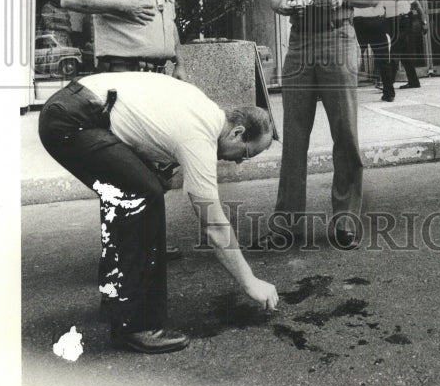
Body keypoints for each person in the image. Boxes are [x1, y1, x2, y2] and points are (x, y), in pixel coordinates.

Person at [38, 72, 278, 354]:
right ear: (237, 132)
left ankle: (116, 297)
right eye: (246, 154)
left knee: (134, 192)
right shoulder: (199, 135)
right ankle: (137, 325)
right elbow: (213, 226)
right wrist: (250, 282)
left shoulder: (202, 108)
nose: (238, 162)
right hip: (73, 119)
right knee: (142, 196)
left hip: (73, 108)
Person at [266, 0, 377, 250]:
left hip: (337, 42)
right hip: (300, 45)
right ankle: (287, 224)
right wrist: (284, 6)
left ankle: (345, 220)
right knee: (294, 138)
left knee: (345, 135)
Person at [383, 0, 429, 89]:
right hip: (391, 23)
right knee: (404, 53)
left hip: (403, 22)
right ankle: (413, 81)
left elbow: (417, 6)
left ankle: (388, 83)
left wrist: (424, 22)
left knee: (394, 52)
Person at [352, 0, 396, 101]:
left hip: (359, 22)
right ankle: (389, 93)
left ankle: (349, 93)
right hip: (377, 21)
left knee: (355, 58)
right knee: (383, 59)